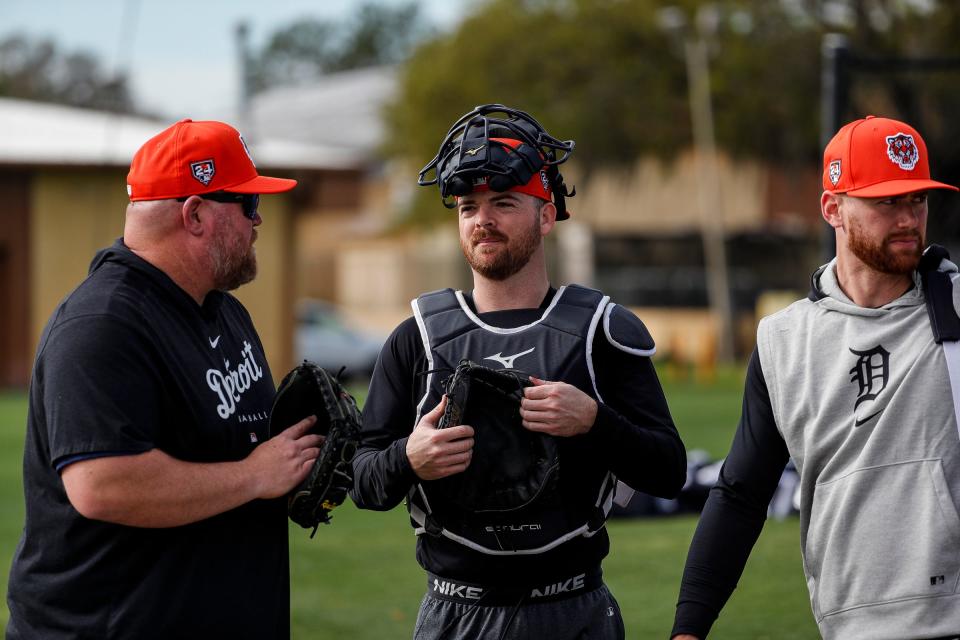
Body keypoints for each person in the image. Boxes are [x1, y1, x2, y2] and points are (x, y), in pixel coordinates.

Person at [351, 104, 686, 639]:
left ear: (546, 214)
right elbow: (364, 483)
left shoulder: (603, 330)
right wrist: (409, 459)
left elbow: (670, 472)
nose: (482, 220)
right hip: (455, 612)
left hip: (573, 608)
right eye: (468, 207)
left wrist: (593, 422)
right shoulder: (416, 337)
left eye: (504, 202)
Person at [6, 119, 323, 639]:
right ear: (195, 214)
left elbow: (245, 443)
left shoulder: (222, 311)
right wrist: (254, 476)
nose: (258, 218)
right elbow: (102, 485)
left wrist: (303, 461)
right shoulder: (103, 325)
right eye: (246, 204)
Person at [671, 115, 960, 640]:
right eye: (885, 202)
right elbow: (740, 493)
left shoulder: (956, 309)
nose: (909, 218)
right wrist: (689, 627)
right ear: (833, 208)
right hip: (848, 624)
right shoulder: (783, 340)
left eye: (917, 199)